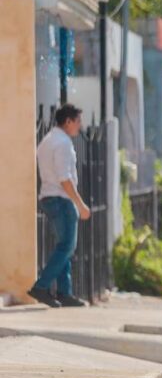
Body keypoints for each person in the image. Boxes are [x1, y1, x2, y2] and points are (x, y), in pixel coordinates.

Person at [30, 103, 91, 308]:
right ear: (68, 122)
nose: (79, 126)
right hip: (60, 199)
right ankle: (41, 286)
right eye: (77, 121)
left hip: (49, 197)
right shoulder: (62, 143)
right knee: (67, 246)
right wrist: (80, 204)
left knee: (64, 245)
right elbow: (65, 179)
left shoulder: (47, 140)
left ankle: (65, 293)